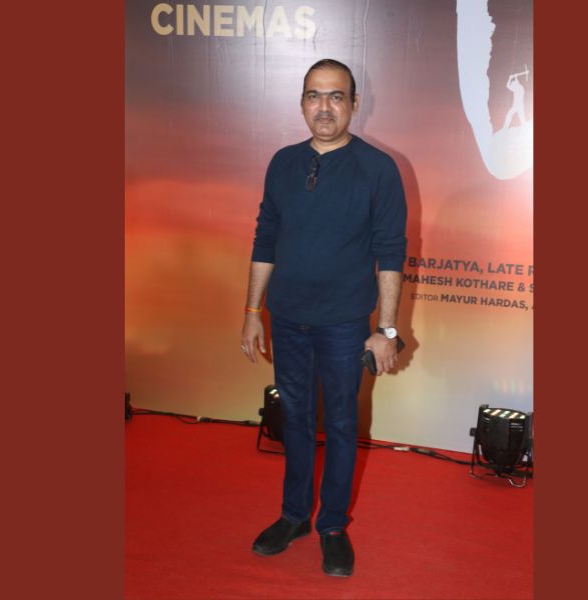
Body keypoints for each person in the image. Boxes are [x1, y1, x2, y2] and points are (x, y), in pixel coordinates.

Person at [240, 58, 407, 577]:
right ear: (302, 104)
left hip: (343, 325)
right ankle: (294, 516)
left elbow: (391, 253)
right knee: (294, 419)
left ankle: (332, 526)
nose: (325, 107)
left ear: (354, 104)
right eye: (314, 95)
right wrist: (252, 312)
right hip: (288, 318)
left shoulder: (378, 169)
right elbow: (265, 239)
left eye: (336, 96)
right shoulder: (282, 163)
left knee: (338, 423)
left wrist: (386, 330)